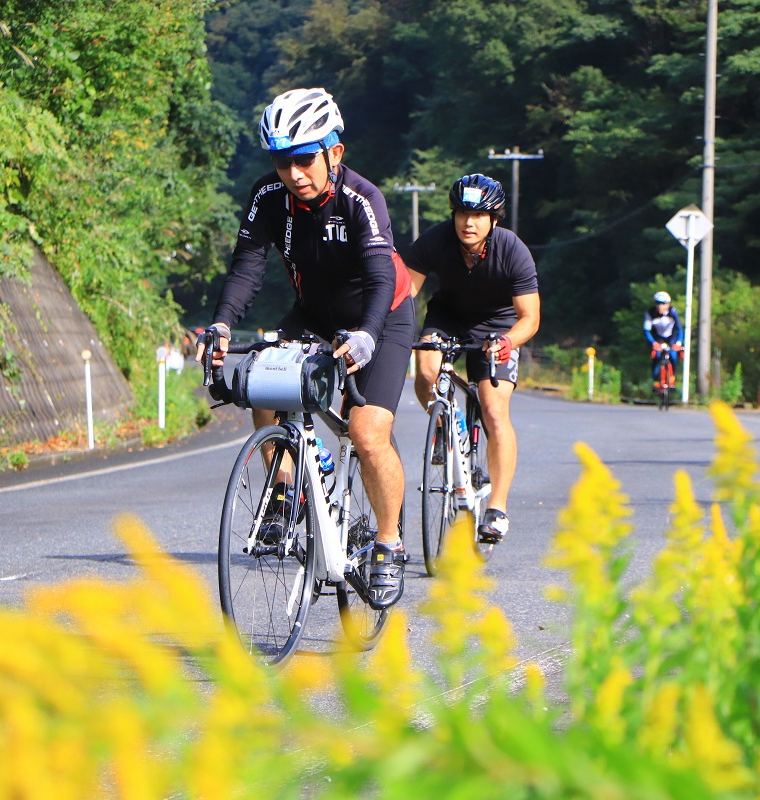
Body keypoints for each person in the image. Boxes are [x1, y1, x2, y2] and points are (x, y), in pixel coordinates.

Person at [197, 88, 415, 609]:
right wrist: (223, 325)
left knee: (367, 433)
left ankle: (388, 543)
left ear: (334, 153)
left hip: (381, 317)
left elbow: (381, 276)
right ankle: (283, 490)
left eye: (303, 159)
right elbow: (247, 267)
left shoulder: (363, 198)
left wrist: (364, 334)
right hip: (315, 314)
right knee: (264, 384)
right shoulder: (267, 197)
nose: (293, 173)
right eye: (281, 161)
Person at [405, 173, 540, 545]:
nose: (469, 222)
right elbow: (404, 294)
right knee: (428, 369)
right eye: (462, 213)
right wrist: (395, 332)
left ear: (494, 219)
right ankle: (445, 429)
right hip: (448, 317)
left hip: (498, 325)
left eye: (479, 215)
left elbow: (530, 317)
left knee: (494, 408)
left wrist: (508, 341)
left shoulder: (513, 250)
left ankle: (497, 507)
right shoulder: (435, 240)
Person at [644, 290, 683, 389]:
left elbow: (680, 329)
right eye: (658, 303)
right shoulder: (650, 313)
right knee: (657, 356)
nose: (660, 306)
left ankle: (672, 379)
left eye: (663, 304)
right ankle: (656, 381)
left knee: (673, 356)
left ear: (668, 304)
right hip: (658, 337)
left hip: (672, 337)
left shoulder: (673, 312)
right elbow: (647, 331)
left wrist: (678, 343)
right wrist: (653, 343)